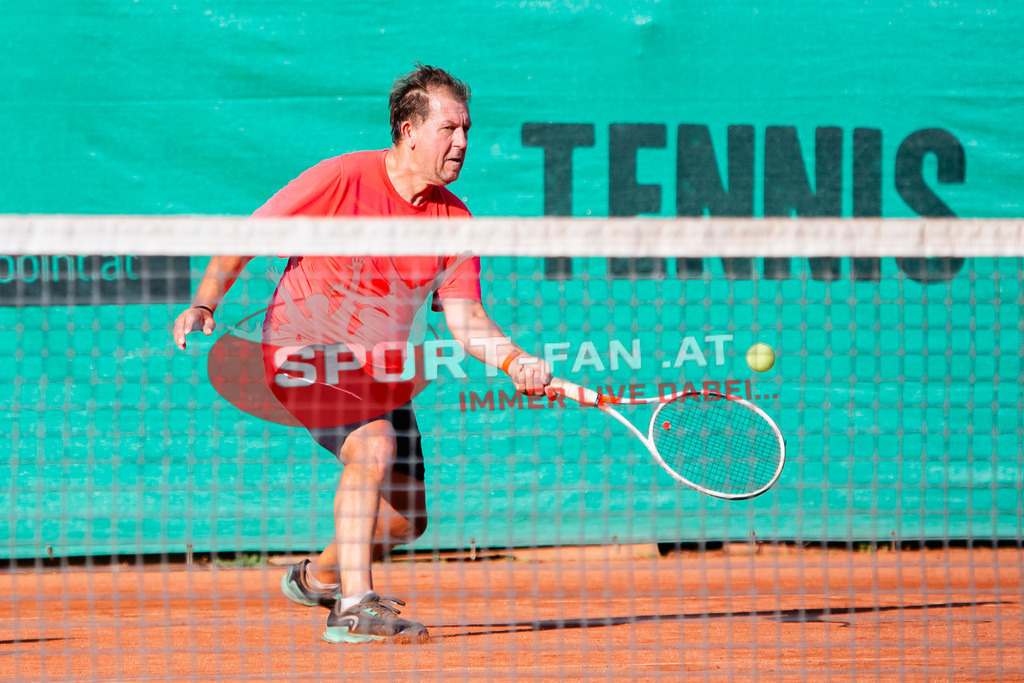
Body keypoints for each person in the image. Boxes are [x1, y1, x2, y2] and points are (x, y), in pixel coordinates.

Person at [172, 64, 552, 644]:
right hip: (303, 351)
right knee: (373, 444)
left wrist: (513, 359)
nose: (462, 142)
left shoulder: (455, 221)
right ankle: (353, 606)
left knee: (404, 520)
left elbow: (466, 318)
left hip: (380, 372)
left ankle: (318, 576)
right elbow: (248, 235)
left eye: (467, 129)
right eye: (449, 128)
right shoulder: (342, 178)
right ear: (407, 129)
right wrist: (203, 303)